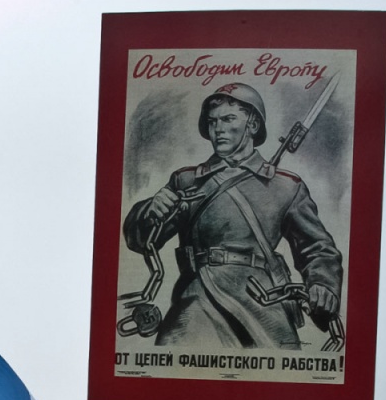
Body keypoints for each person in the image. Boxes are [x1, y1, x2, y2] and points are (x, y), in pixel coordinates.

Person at [123, 82, 343, 350]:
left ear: (252, 125)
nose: (219, 128)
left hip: (264, 303)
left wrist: (323, 284)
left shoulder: (287, 186)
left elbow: (317, 248)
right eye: (213, 121)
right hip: (197, 299)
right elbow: (141, 241)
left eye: (228, 119)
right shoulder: (186, 180)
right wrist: (151, 211)